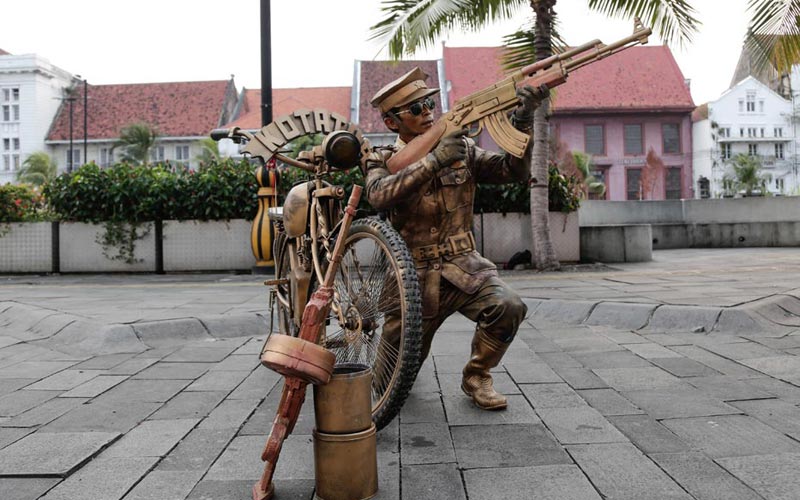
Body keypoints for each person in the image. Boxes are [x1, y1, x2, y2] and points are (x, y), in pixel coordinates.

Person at [363, 67, 545, 410]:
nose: (427, 112)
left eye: (429, 103)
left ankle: (477, 375)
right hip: (411, 279)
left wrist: (523, 120)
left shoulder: (464, 148)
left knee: (508, 306)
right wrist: (433, 161)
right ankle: (399, 374)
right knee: (387, 382)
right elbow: (377, 194)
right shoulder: (383, 158)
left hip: (464, 269)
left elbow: (513, 171)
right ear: (391, 123)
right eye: (415, 109)